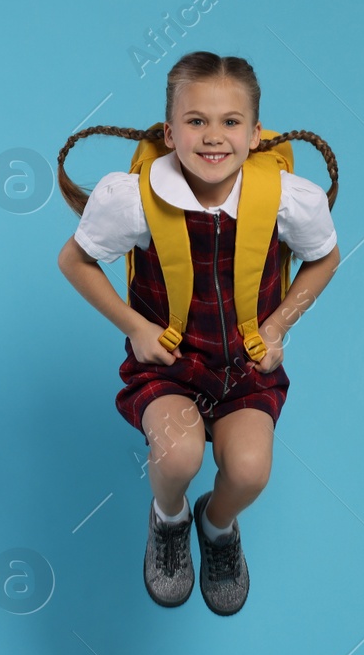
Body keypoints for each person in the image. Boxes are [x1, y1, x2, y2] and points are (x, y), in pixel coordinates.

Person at [55, 51, 340, 616]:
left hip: (244, 369)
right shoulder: (136, 198)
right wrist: (135, 327)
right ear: (171, 130)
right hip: (170, 366)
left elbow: (325, 259)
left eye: (231, 122)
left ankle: (216, 526)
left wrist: (279, 325)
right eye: (196, 121)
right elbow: (75, 261)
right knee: (179, 457)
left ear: (256, 134)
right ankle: (169, 519)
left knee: (251, 471)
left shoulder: (285, 196)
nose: (214, 137)